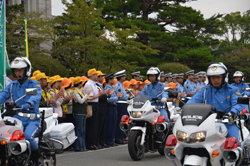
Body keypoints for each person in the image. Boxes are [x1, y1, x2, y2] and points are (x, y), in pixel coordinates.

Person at [0, 57, 43, 165]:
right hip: (17, 118)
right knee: (4, 135)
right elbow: (2, 96)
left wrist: (28, 104)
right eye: (15, 71)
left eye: (20, 70)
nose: (17, 73)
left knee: (28, 136)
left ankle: (38, 158)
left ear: (26, 70)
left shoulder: (34, 84)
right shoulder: (12, 86)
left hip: (32, 120)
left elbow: (35, 97)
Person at [187, 62, 243, 145]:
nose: (215, 80)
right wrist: (184, 109)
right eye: (213, 77)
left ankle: (236, 155)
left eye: (218, 77)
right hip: (208, 123)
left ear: (224, 77)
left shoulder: (232, 90)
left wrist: (233, 112)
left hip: (228, 122)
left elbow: (238, 103)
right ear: (209, 78)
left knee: (234, 143)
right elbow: (192, 102)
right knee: (191, 142)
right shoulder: (205, 90)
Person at [84, 68, 107, 150]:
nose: (97, 76)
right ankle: (90, 143)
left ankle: (93, 142)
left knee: (95, 125)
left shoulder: (94, 84)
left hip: (96, 104)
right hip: (91, 104)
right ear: (92, 75)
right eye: (96, 74)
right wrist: (99, 95)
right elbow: (88, 97)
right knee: (91, 124)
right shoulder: (88, 84)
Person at [72, 77, 91, 151]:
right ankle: (78, 146)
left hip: (83, 112)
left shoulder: (80, 91)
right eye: (81, 83)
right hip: (78, 113)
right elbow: (80, 101)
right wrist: (86, 95)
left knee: (83, 130)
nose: (82, 84)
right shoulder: (75, 92)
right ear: (79, 84)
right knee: (79, 130)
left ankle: (82, 146)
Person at [105, 73, 123, 146]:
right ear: (109, 80)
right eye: (112, 79)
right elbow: (109, 99)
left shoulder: (112, 88)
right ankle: (109, 140)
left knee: (114, 123)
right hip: (110, 106)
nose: (114, 80)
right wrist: (117, 97)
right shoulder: (107, 88)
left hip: (114, 106)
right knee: (110, 124)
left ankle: (112, 140)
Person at [96, 71, 111, 149]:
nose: (102, 78)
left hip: (104, 108)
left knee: (103, 126)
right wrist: (106, 95)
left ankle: (102, 141)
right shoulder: (96, 86)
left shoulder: (101, 86)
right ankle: (98, 141)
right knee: (99, 126)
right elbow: (100, 97)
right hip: (100, 108)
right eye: (101, 76)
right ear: (98, 77)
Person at [114, 70, 130, 144]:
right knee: (121, 121)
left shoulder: (121, 85)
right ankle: (118, 137)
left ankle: (121, 136)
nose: (124, 77)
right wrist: (127, 96)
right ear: (120, 77)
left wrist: (126, 95)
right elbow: (122, 96)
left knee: (124, 121)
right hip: (121, 104)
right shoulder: (118, 86)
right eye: (123, 76)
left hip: (124, 104)